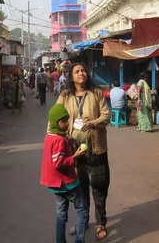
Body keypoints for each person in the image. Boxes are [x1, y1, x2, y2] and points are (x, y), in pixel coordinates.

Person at [57, 62, 110, 240]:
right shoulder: (65, 96)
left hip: (96, 147)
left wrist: (93, 123)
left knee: (99, 187)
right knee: (80, 188)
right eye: (77, 71)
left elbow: (106, 115)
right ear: (71, 76)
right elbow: (56, 117)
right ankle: (84, 221)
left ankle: (101, 223)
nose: (82, 73)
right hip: (75, 150)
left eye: (83, 70)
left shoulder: (96, 93)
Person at [40, 103, 88, 243]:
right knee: (82, 209)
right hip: (66, 182)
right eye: (63, 121)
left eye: (67, 120)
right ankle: (79, 240)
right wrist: (75, 156)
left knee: (61, 214)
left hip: (54, 184)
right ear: (55, 122)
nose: (67, 124)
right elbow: (58, 163)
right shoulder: (59, 140)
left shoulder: (50, 136)